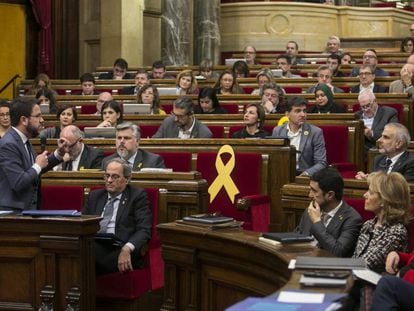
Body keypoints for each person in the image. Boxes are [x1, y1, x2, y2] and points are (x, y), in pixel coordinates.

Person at [0, 97, 73, 212]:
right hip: (12, 214)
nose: (42, 120)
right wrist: (38, 165)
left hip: (25, 210)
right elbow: (19, 182)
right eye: (38, 116)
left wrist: (58, 154)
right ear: (24, 120)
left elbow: (35, 169)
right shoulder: (8, 144)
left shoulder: (23, 140)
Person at [83, 158, 152, 275]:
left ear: (127, 178)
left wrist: (127, 248)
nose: (109, 180)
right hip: (95, 244)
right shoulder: (95, 196)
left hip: (120, 247)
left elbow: (144, 230)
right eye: (107, 176)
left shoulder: (137, 196)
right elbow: (83, 223)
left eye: (115, 177)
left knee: (84, 253)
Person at [295, 167, 363, 257]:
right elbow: (296, 238)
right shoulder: (311, 210)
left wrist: (317, 222)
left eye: (314, 191)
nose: (309, 195)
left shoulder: (352, 219)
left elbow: (338, 251)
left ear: (330, 195)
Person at [353, 171, 409, 272]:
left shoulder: (396, 231)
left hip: (375, 284)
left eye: (370, 192)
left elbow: (367, 263)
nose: (364, 195)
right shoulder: (368, 225)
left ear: (384, 200)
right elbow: (355, 259)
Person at [271, 96, 327, 176]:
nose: (303, 114)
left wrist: (306, 174)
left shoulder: (315, 132)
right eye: (298, 111)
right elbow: (274, 159)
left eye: (304, 111)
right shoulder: (278, 131)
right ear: (287, 114)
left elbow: (321, 163)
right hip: (282, 174)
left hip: (306, 176)